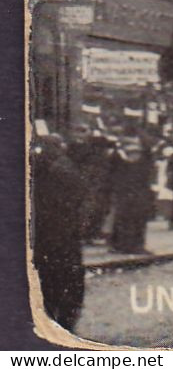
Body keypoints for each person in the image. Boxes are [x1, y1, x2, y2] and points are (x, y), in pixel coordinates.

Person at [31, 127, 86, 333]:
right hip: (64, 235)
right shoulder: (65, 168)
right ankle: (64, 324)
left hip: (41, 236)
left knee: (45, 279)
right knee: (67, 280)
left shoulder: (33, 168)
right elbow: (79, 197)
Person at [107, 136, 155, 256]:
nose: (135, 156)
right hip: (133, 194)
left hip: (129, 193)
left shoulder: (118, 160)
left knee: (125, 219)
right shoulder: (123, 161)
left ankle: (121, 245)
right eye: (133, 153)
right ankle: (133, 246)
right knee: (133, 220)